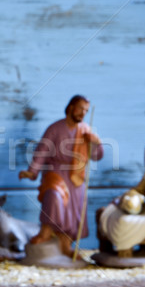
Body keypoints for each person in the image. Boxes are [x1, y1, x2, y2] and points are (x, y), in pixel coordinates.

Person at [19, 95, 104, 257]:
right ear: (71, 107)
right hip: (55, 173)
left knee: (73, 212)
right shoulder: (55, 129)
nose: (82, 113)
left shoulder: (86, 130)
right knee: (53, 196)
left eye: (85, 110)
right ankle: (45, 232)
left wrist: (96, 142)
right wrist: (32, 171)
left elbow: (97, 156)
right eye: (80, 108)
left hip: (76, 177)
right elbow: (42, 151)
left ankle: (66, 245)